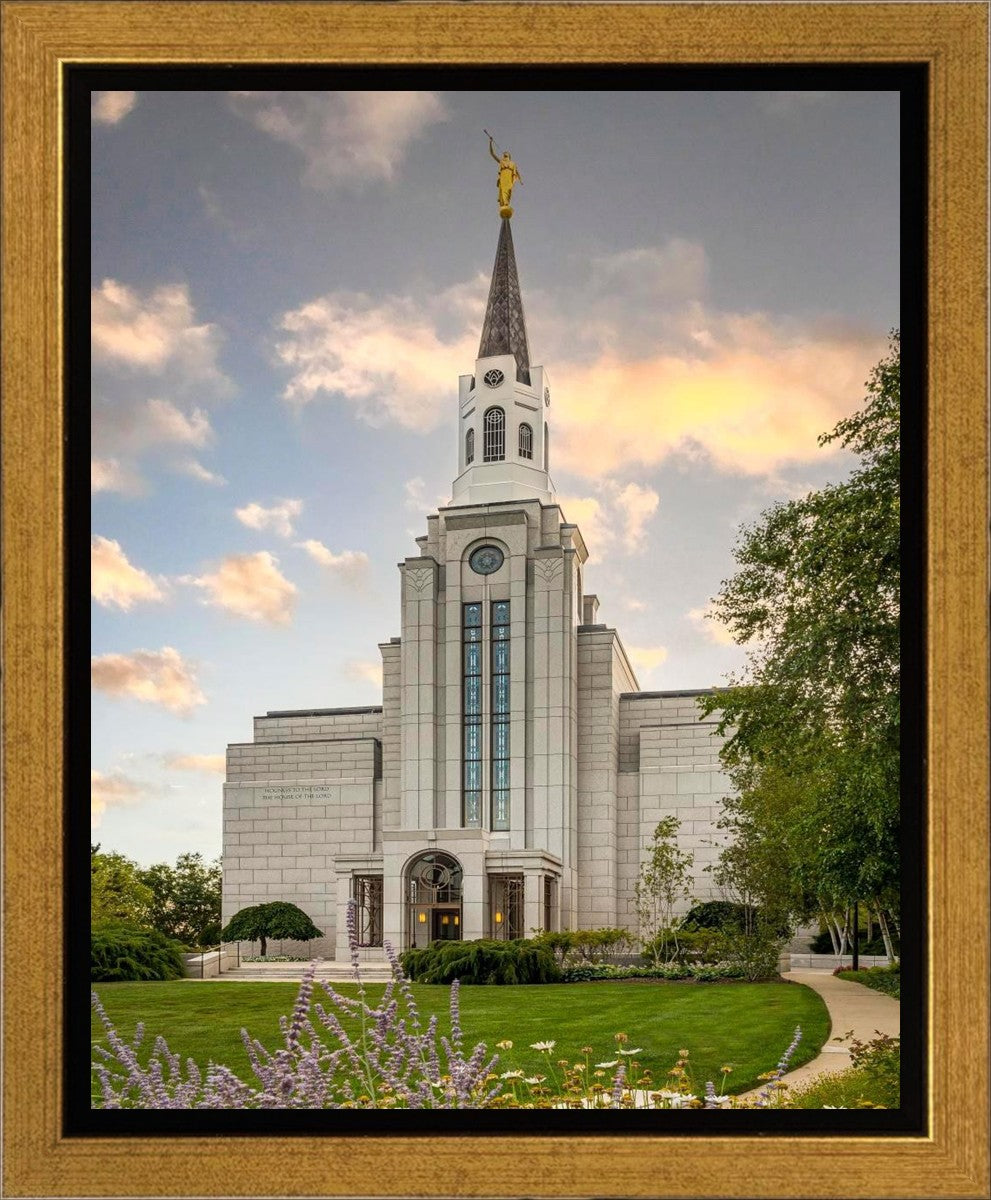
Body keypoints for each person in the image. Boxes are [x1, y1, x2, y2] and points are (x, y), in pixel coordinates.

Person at [488, 136, 522, 212]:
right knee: (503, 191)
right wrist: (490, 142)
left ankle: (506, 203)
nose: (505, 153)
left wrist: (520, 180)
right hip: (503, 177)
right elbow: (492, 154)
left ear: (509, 156)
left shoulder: (512, 163)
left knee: (509, 190)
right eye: (504, 153)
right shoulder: (502, 162)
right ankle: (505, 204)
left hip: (509, 178)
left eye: (506, 153)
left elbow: (516, 172)